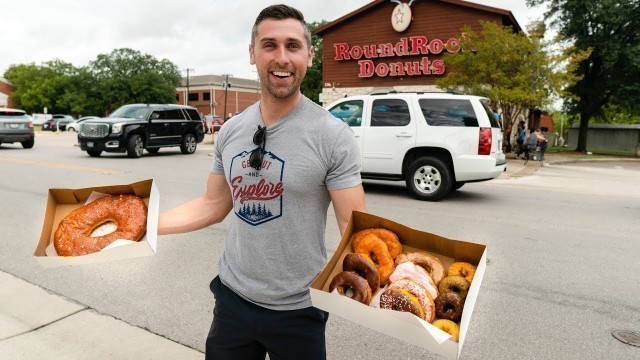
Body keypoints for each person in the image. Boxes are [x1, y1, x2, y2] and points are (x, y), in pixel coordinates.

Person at [157, 4, 366, 360]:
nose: (281, 57)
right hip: (232, 301)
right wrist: (143, 227)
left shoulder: (332, 135)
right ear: (252, 53)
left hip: (299, 310)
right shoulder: (233, 130)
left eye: (293, 46)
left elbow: (355, 229)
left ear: (309, 56)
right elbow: (212, 204)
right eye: (269, 45)